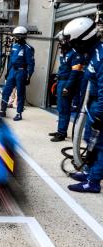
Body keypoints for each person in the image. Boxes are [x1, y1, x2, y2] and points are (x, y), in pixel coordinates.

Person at [62, 17, 103, 193]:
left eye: (75, 43)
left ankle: (93, 181)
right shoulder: (92, 55)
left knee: (100, 145)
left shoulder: (101, 57)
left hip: (99, 108)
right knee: (90, 142)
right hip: (92, 105)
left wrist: (100, 116)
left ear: (83, 41)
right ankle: (88, 172)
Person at [0, 26, 35, 121]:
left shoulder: (28, 48)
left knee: (20, 93)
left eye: (16, 36)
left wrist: (29, 76)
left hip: (21, 71)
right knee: (6, 91)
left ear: (21, 36)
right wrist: (7, 72)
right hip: (12, 71)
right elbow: (11, 60)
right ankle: (2, 111)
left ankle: (19, 113)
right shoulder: (14, 46)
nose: (15, 38)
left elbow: (31, 64)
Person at [49, 32, 84, 142]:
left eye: (62, 41)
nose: (60, 44)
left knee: (64, 108)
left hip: (67, 83)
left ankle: (62, 133)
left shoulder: (75, 54)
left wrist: (67, 87)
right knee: (61, 107)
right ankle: (60, 129)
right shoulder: (64, 52)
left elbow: (75, 73)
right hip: (61, 81)